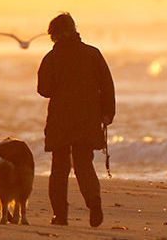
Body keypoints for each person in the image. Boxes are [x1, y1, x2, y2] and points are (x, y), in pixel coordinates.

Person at [37, 13, 116, 227]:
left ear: (54, 35)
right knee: (83, 165)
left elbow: (43, 90)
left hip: (60, 121)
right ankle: (94, 203)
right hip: (88, 120)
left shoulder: (51, 59)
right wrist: (108, 114)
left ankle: (60, 216)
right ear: (74, 30)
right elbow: (107, 86)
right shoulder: (92, 54)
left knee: (59, 169)